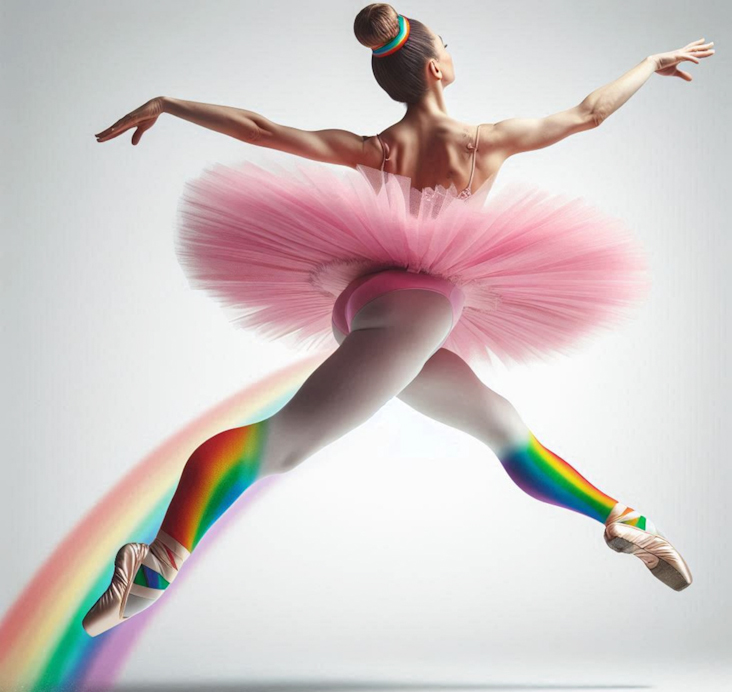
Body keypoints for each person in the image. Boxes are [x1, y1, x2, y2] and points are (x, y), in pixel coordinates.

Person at [82, 4, 715, 636]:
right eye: (448, 44)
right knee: (282, 444)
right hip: (420, 307)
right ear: (437, 69)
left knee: (504, 429)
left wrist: (170, 102)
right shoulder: (484, 142)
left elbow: (261, 129)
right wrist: (649, 63)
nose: (452, 50)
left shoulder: (373, 148)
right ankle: (154, 563)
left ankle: (625, 521)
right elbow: (589, 113)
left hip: (364, 303)